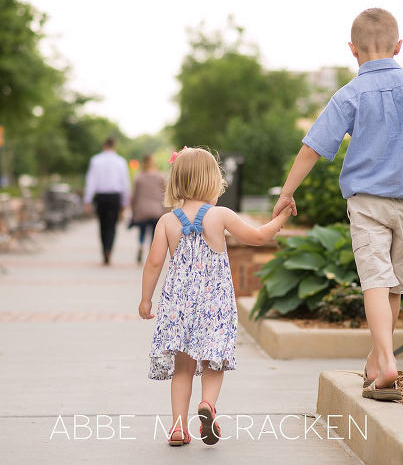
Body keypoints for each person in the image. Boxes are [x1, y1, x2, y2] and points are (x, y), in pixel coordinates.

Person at [272, 8, 403, 402]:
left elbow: (312, 147)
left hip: (367, 203)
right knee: (394, 285)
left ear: (353, 50)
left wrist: (287, 191)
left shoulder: (350, 94)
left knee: (375, 282)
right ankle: (377, 361)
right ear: (398, 47)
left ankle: (386, 362)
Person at [138, 147, 292, 446]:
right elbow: (259, 237)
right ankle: (207, 404)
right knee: (213, 361)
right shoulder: (220, 215)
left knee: (183, 367)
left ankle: (179, 428)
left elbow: (154, 263)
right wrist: (281, 217)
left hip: (179, 305)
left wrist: (146, 300)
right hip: (214, 304)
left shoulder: (167, 222)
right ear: (212, 182)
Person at [83, 137, 131, 265]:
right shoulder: (121, 161)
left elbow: (91, 181)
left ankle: (105, 249)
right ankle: (109, 249)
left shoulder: (96, 160)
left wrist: (87, 200)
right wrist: (124, 203)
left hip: (101, 196)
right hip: (115, 197)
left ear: (104, 145)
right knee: (112, 225)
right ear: (114, 145)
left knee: (102, 225)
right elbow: (125, 184)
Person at [130, 154, 167, 264]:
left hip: (142, 210)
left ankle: (141, 245)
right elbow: (165, 194)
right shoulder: (160, 177)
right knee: (154, 233)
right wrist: (166, 210)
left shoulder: (139, 177)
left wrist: (133, 208)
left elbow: (134, 195)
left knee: (142, 231)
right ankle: (152, 251)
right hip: (157, 210)